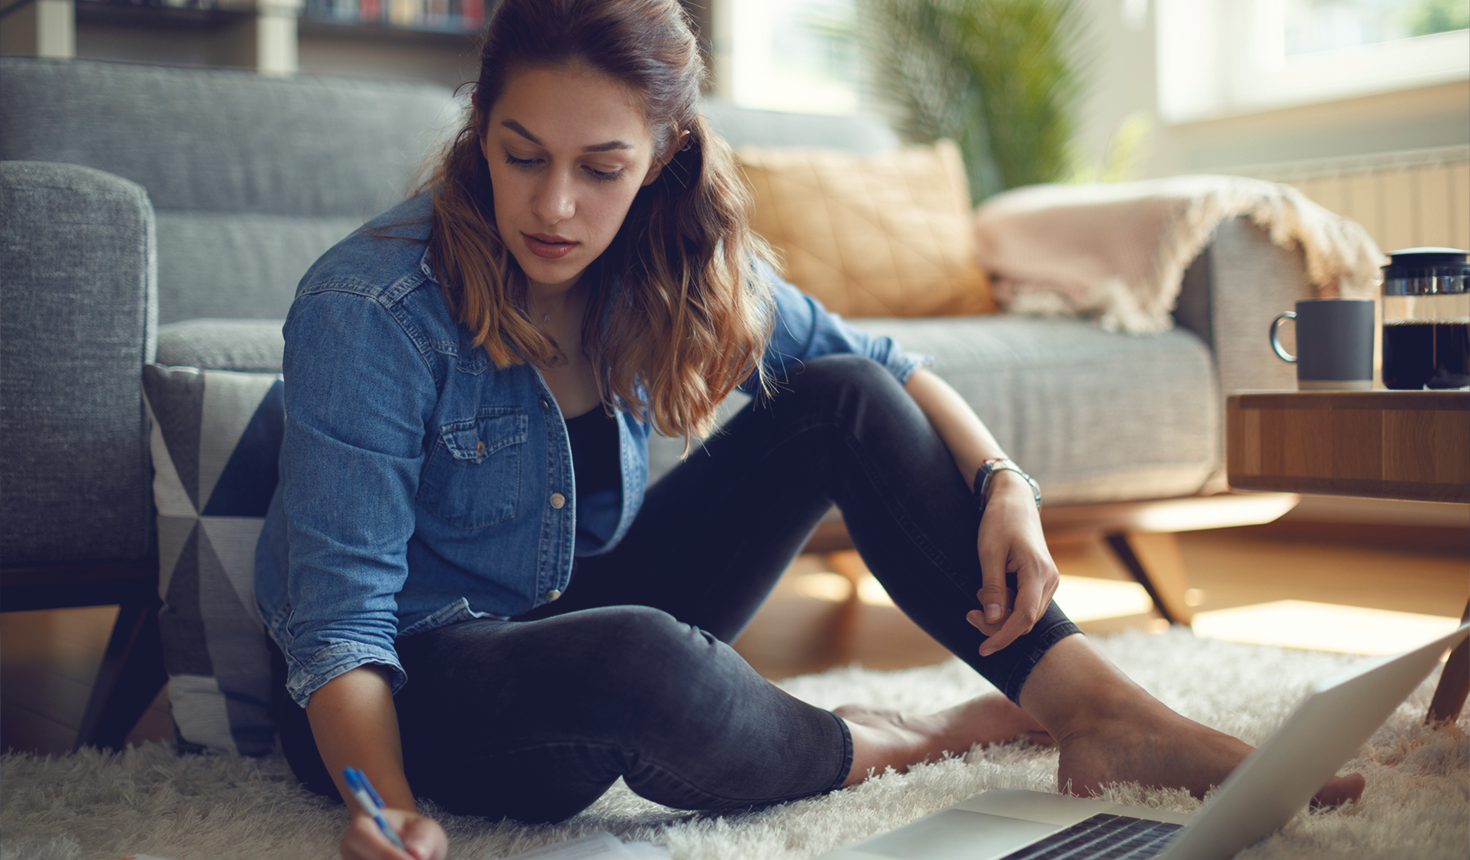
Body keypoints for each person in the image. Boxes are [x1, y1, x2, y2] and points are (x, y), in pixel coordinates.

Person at [254, 1, 1365, 858]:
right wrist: (387, 809)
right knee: (643, 658)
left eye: (602, 169)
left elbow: (878, 367)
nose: (554, 207)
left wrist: (1006, 480)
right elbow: (341, 630)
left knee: (837, 394)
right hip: (414, 683)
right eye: (521, 153)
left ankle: (1097, 705)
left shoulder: (665, 253)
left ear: (663, 157)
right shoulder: (374, 307)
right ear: (478, 132)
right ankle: (901, 740)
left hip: (571, 608)